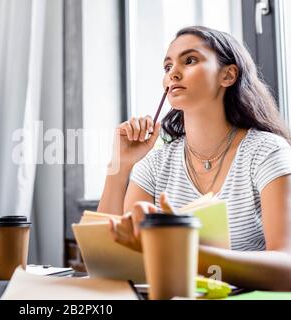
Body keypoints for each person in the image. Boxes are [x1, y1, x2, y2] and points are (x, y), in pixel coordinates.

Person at [98, 26, 291, 291]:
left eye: (190, 60)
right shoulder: (155, 165)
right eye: (167, 67)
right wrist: (119, 165)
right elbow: (108, 262)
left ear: (228, 75)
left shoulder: (266, 152)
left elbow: (287, 267)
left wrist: (182, 250)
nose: (173, 73)